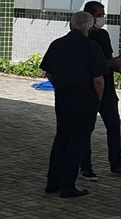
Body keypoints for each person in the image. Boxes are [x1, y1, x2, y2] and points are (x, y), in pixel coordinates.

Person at [41, 11, 107, 198]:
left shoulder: (57, 44)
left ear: (71, 25)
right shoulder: (92, 47)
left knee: (61, 138)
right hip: (85, 99)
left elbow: (49, 72)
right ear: (89, 27)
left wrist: (60, 85)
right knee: (78, 141)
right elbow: (98, 80)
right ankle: (68, 185)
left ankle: (53, 182)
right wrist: (98, 99)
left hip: (63, 97)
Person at [79, 1, 121, 180]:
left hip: (107, 89)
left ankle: (116, 164)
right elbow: (89, 65)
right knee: (86, 129)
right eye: (99, 15)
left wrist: (117, 67)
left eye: (103, 15)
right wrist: (111, 64)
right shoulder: (82, 38)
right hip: (89, 90)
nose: (102, 19)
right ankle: (85, 166)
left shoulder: (103, 35)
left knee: (114, 127)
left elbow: (106, 61)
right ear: (89, 17)